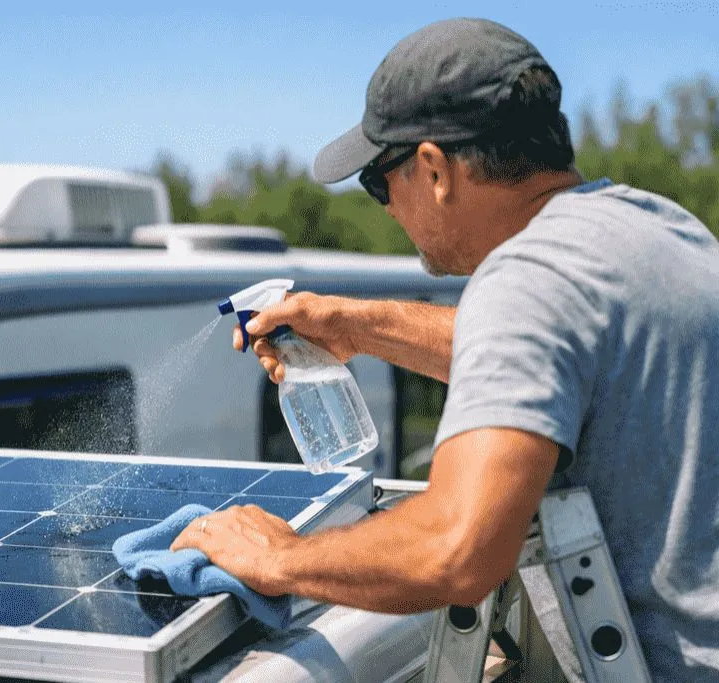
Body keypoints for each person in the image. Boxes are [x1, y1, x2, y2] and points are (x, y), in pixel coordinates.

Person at [170, 17, 719, 681]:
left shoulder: (526, 279)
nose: (387, 209)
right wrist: (353, 323)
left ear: (432, 169)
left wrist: (280, 556)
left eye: (380, 182)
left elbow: (458, 547)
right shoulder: (654, 228)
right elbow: (554, 358)